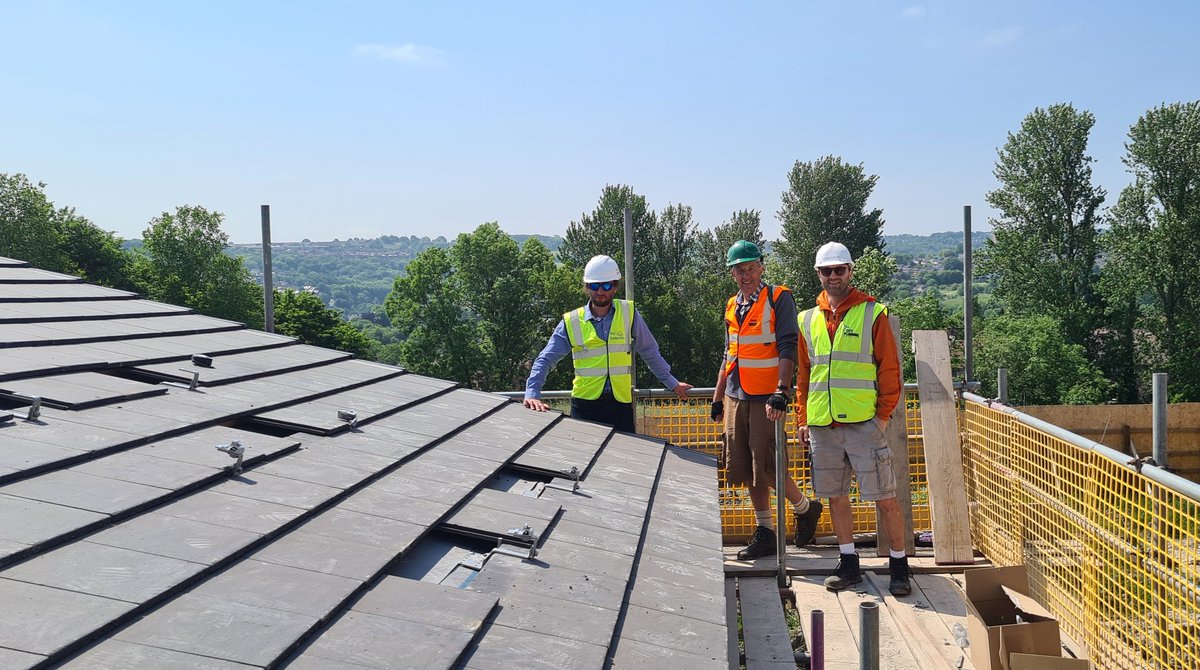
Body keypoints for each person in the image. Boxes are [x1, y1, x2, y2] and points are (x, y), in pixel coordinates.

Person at [797, 241, 909, 595]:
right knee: (835, 496)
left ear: (850, 271)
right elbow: (804, 375)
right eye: (826, 270)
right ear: (818, 274)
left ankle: (899, 566)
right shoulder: (807, 319)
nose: (833, 276)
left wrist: (881, 417)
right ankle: (848, 563)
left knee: (884, 497)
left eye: (839, 269)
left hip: (864, 424)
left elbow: (890, 369)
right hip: (823, 425)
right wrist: (803, 418)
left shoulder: (873, 313)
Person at [712, 240, 823, 561]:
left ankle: (804, 508)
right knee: (747, 468)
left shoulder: (778, 298)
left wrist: (781, 391)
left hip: (767, 398)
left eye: (750, 268)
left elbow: (788, 345)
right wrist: (718, 397)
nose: (745, 275)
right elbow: (728, 354)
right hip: (736, 395)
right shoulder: (732, 305)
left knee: (770, 466)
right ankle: (766, 531)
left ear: (761, 267)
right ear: (732, 274)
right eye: (739, 270)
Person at [524, 254, 692, 433]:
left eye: (606, 285)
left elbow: (649, 351)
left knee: (626, 452)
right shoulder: (571, 321)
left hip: (620, 406)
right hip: (585, 406)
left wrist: (672, 383)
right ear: (587, 287)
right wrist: (532, 392)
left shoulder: (629, 313)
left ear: (615, 286)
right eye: (594, 286)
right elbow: (546, 359)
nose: (600, 291)